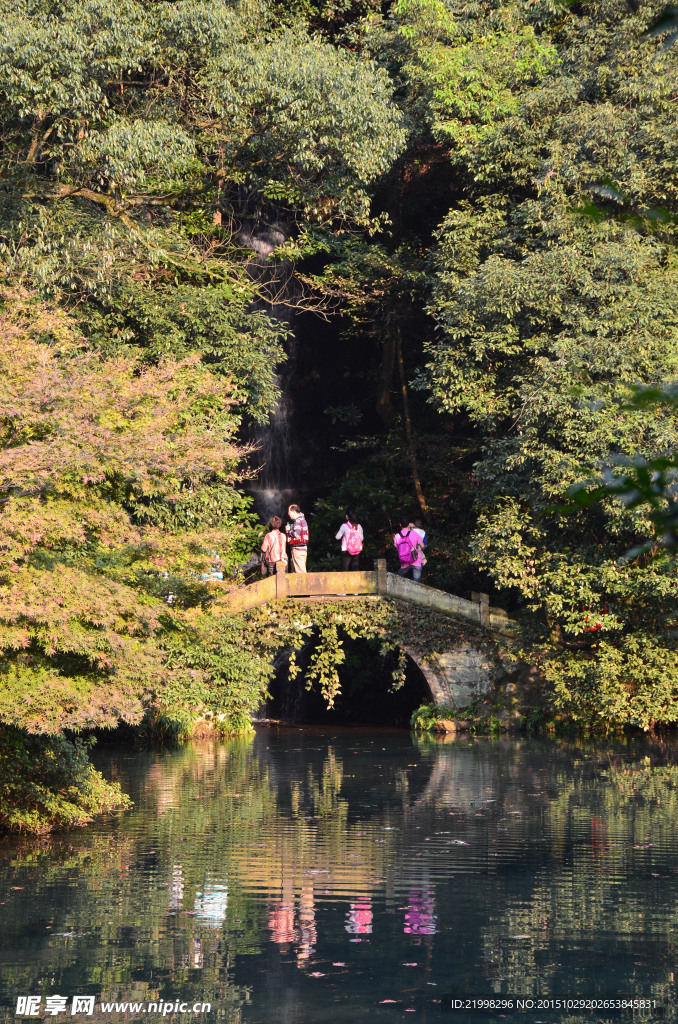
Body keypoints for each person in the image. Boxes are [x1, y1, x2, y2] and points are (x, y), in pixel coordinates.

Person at [286, 504, 309, 573]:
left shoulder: (298, 521)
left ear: (294, 512)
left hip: (298, 549)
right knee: (300, 569)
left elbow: (296, 534)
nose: (288, 514)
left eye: (289, 512)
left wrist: (289, 530)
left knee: (300, 572)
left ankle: (304, 584)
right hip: (302, 548)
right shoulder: (302, 519)